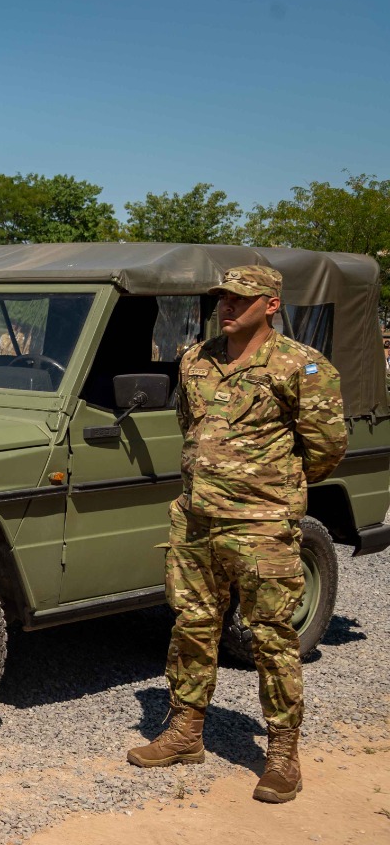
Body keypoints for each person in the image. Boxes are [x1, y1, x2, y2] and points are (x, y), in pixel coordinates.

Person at [127, 265, 347, 804]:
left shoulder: (303, 367)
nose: (227, 307)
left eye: (240, 299)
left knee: (270, 633)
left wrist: (272, 487)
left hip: (262, 523)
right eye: (223, 298)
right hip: (197, 518)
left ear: (271, 304)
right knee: (193, 624)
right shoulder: (195, 360)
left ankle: (282, 753)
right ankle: (185, 732)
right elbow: (192, 427)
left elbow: (325, 449)